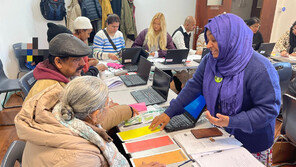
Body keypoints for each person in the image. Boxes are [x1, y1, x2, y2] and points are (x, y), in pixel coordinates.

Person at [150, 13, 281, 166]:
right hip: (221, 135)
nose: (208, 45)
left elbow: (269, 110)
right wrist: (169, 112)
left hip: (251, 144)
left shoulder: (261, 68)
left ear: (231, 39)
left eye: (214, 40)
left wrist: (233, 121)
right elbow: (193, 88)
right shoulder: (211, 60)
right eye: (208, 39)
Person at [15, 76, 165, 167]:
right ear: (95, 115)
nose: (110, 104)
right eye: (107, 103)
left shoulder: (55, 114)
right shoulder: (81, 158)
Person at [26, 33, 135, 131]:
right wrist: (127, 110)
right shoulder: (54, 92)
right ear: (58, 62)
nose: (83, 63)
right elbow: (88, 126)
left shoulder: (59, 77)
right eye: (76, 59)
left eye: (83, 58)